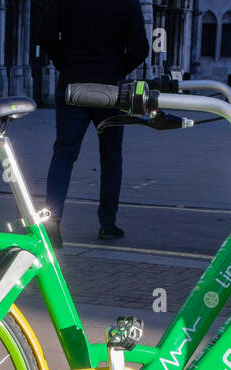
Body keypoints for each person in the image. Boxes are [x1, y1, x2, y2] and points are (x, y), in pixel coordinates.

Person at [37, 0, 149, 245]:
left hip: (72, 83)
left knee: (64, 155)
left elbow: (45, 34)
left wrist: (64, 63)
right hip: (110, 89)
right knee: (111, 157)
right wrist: (116, 69)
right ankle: (108, 224)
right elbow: (140, 48)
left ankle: (52, 220)